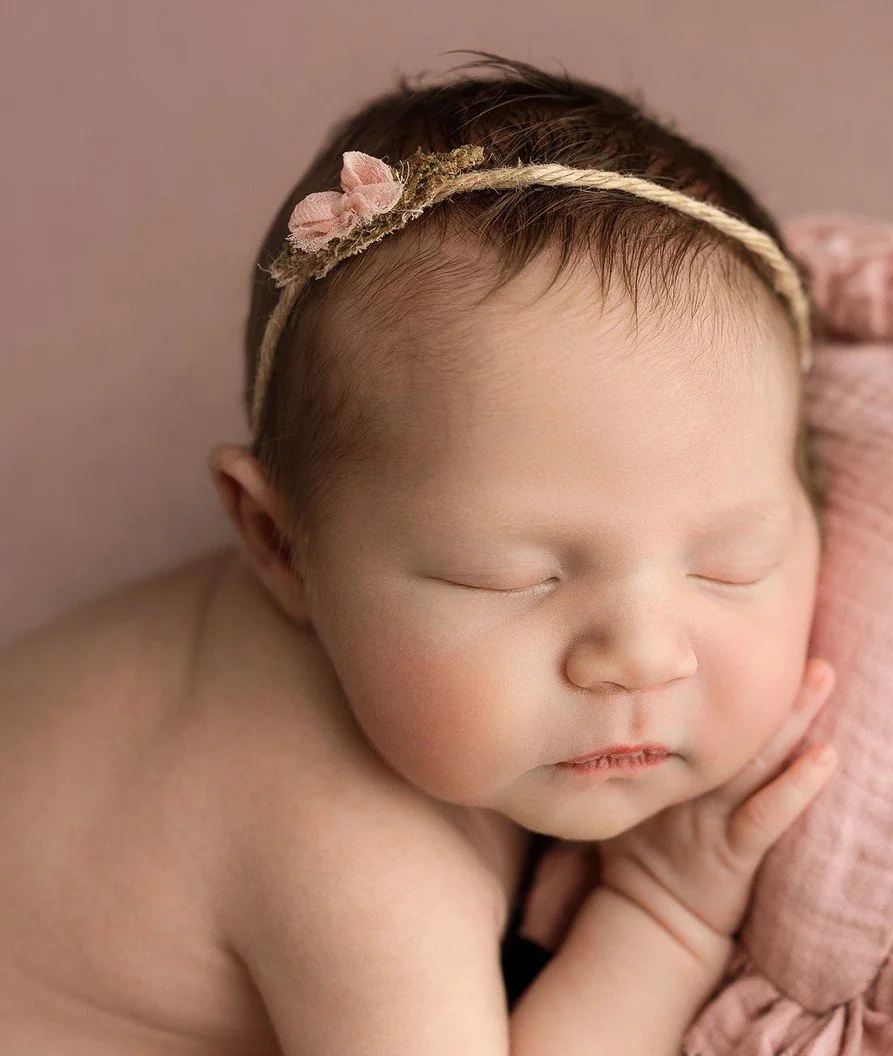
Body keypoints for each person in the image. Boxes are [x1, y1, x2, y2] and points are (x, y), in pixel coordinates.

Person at [0, 49, 842, 1055]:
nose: (643, 655)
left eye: (731, 562)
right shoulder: (357, 856)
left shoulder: (305, 641)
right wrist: (665, 913)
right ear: (279, 542)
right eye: (509, 576)